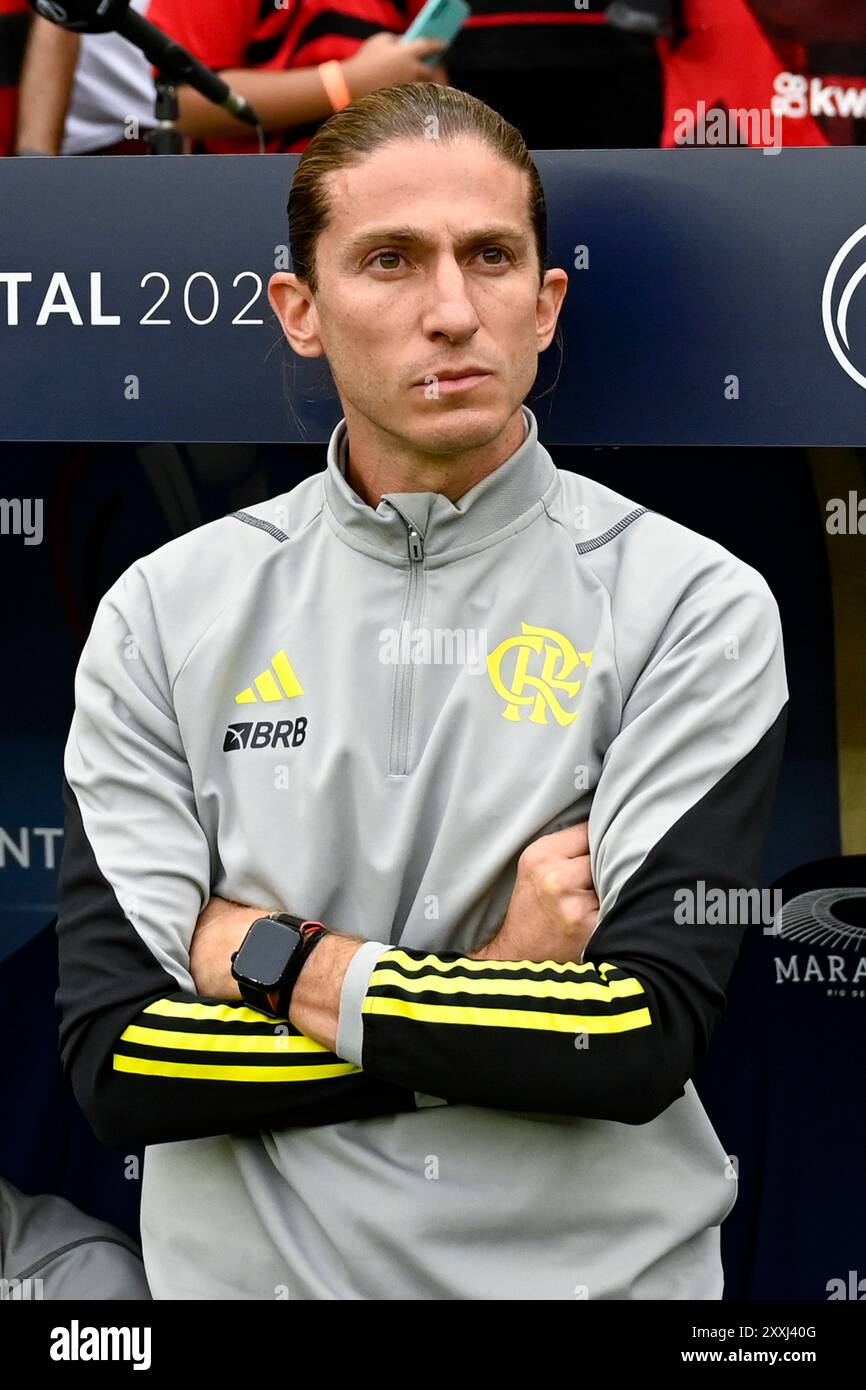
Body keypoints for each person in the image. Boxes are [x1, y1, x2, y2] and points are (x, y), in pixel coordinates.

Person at [56, 81, 789, 1300]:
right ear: (299, 309)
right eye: (389, 260)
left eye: (490, 257)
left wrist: (282, 965)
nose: (451, 310)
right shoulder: (161, 612)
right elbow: (120, 1062)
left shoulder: (692, 604)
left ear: (545, 304)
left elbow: (630, 1037)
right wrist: (499, 972)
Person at [142, 0, 447, 153]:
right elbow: (185, 102)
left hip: (392, 190)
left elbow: (432, 75)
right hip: (257, 198)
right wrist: (347, 84)